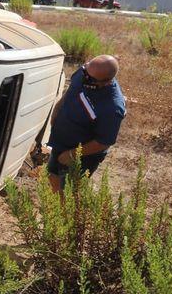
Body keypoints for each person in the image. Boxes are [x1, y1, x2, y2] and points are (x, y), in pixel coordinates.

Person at [45, 55, 126, 192]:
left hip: (82, 156)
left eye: (88, 77)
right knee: (53, 176)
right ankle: (55, 205)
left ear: (105, 82)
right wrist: (57, 111)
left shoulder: (111, 107)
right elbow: (71, 91)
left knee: (70, 191)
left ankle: (66, 212)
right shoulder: (86, 72)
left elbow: (103, 142)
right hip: (61, 142)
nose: (83, 76)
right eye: (85, 69)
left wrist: (71, 155)